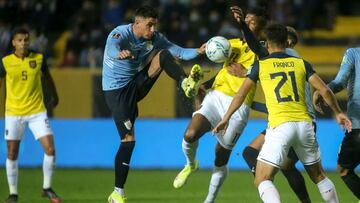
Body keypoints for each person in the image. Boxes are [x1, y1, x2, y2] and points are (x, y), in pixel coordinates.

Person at [213, 23, 351, 203]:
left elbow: (241, 94)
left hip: (280, 126)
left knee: (262, 179)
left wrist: (226, 118)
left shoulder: (261, 65)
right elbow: (324, 90)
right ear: (285, 43)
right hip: (305, 124)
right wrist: (339, 112)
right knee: (319, 176)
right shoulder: (301, 63)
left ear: (267, 45)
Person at [102, 5, 205, 203]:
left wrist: (199, 51)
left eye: (154, 25)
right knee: (128, 141)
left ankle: (185, 84)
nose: (152, 30)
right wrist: (119, 54)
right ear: (137, 23)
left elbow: (179, 52)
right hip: (117, 92)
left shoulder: (154, 37)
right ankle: (117, 193)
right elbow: (113, 47)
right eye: (149, 25)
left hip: (134, 83)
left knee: (163, 55)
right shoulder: (120, 33)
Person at [172, 7, 267, 203]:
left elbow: (264, 74)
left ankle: (209, 200)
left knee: (220, 157)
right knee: (189, 135)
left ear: (262, 26)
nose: (247, 23)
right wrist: (206, 83)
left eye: (252, 21)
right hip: (216, 97)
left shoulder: (264, 50)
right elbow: (224, 72)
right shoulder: (231, 44)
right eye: (245, 20)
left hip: (239, 107)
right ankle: (191, 164)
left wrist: (247, 72)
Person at [230, 6, 313, 203]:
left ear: (287, 42)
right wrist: (253, 104)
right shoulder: (284, 60)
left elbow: (257, 50)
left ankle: (268, 186)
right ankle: (267, 185)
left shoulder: (288, 56)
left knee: (293, 168)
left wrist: (247, 73)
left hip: (296, 117)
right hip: (283, 118)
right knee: (252, 153)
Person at [0, 28, 61, 203]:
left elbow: (48, 77)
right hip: (14, 113)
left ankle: (47, 188)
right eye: (20, 40)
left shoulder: (39, 58)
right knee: (12, 153)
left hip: (37, 111)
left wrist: (55, 95)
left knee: (50, 149)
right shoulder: (5, 62)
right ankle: (13, 194)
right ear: (13, 43)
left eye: (26, 40)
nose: (24, 43)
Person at [313, 47, 360, 199]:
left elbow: (340, 82)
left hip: (358, 124)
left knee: (344, 169)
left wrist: (322, 91)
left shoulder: (354, 53)